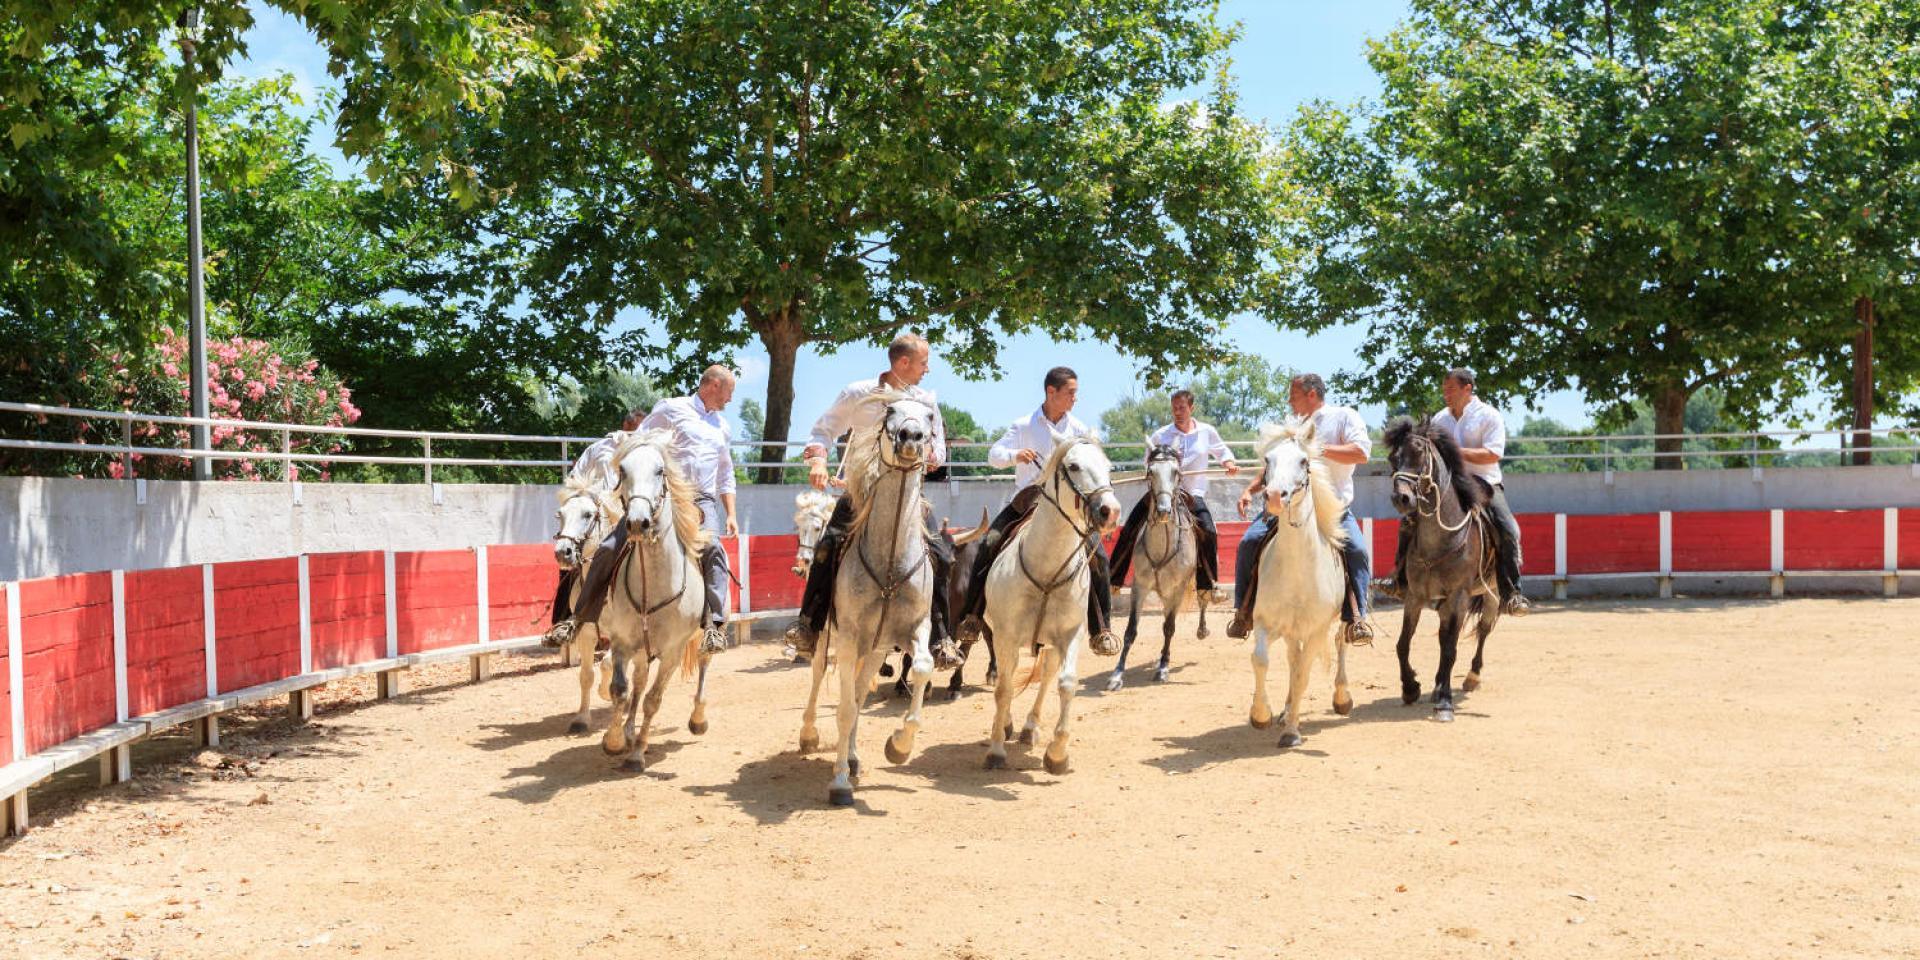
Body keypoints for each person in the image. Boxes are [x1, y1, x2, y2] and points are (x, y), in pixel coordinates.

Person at [783, 333, 960, 668]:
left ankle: (940, 637)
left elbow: (938, 448)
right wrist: (819, 462)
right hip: (860, 493)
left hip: (910, 497)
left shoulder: (925, 401)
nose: (927, 370)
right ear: (903, 362)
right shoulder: (859, 393)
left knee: (944, 555)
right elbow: (822, 431)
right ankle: (808, 626)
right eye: (923, 363)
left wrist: (931, 455)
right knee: (826, 548)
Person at [955, 366, 1120, 656]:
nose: (1075, 399)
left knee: (1100, 559)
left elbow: (1095, 463)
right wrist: (1014, 455)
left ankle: (1101, 628)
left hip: (1068, 508)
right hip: (1027, 501)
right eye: (1070, 393)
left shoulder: (1080, 430)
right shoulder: (1023, 426)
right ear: (1051, 392)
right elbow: (993, 456)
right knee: (988, 544)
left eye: (1076, 393)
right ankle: (972, 618)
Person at [1226, 374, 1375, 644]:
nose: (1288, 401)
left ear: (1311, 394)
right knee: (1249, 541)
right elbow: (1276, 468)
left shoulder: (1344, 416)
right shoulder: (1292, 427)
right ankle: (1243, 612)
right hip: (1286, 505)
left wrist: (1316, 448)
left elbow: (1361, 453)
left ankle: (1356, 617)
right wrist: (1250, 489)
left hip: (1332, 508)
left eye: (1292, 396)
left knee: (1357, 551)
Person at [1384, 367, 1530, 615]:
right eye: (1444, 390)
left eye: (1450, 389)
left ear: (1467, 389)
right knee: (1409, 521)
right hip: (1448, 486)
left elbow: (1493, 454)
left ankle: (1512, 592)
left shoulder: (1489, 416)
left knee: (1509, 528)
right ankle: (1399, 580)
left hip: (1485, 483)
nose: (1446, 394)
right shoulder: (1440, 418)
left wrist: (1454, 452)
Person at [1107, 389, 1238, 598]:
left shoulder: (1206, 431)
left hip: (1192, 493)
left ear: (1191, 408)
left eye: (1182, 407)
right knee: (1130, 527)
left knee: (1208, 531)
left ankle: (1208, 586)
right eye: (1174, 408)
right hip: (1162, 492)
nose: (1177, 412)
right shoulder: (1161, 435)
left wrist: (1228, 462)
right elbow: (1148, 462)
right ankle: (1113, 579)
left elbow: (1222, 451)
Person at [543, 407, 645, 647]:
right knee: (571, 556)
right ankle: (564, 620)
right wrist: (588, 496)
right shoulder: (599, 448)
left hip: (628, 513)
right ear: (627, 425)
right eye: (639, 427)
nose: (641, 432)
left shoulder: (642, 454)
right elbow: (573, 482)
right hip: (596, 514)